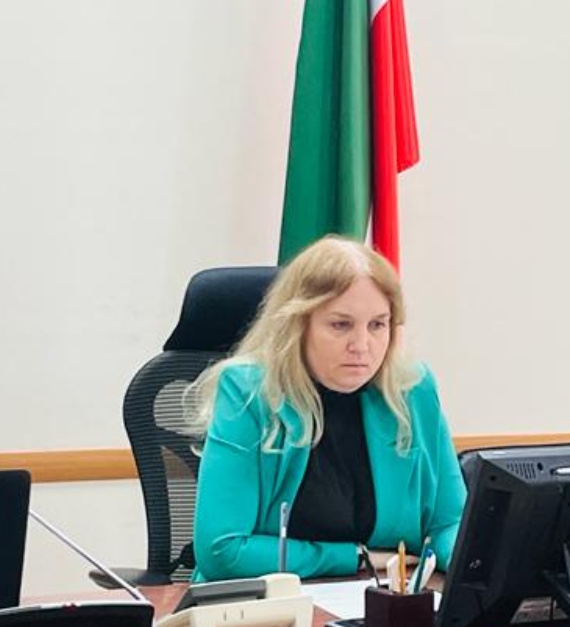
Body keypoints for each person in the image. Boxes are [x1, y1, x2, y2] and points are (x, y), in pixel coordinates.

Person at [190, 237, 465, 582]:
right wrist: (355, 558)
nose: (362, 345)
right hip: (265, 605)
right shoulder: (248, 392)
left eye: (377, 325)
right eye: (340, 325)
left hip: (379, 598)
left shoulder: (411, 389)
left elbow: (450, 522)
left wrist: (477, 560)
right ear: (297, 325)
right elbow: (222, 551)